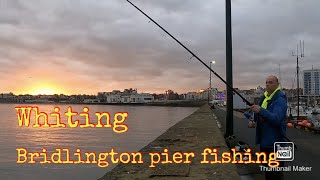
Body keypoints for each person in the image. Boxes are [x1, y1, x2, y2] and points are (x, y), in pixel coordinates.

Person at [248, 75, 288, 180]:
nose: (267, 84)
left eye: (270, 82)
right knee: (267, 171)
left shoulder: (280, 100)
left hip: (276, 143)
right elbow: (260, 115)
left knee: (275, 174)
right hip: (265, 142)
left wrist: (260, 110)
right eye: (266, 82)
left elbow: (276, 119)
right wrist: (253, 120)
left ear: (277, 84)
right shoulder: (265, 98)